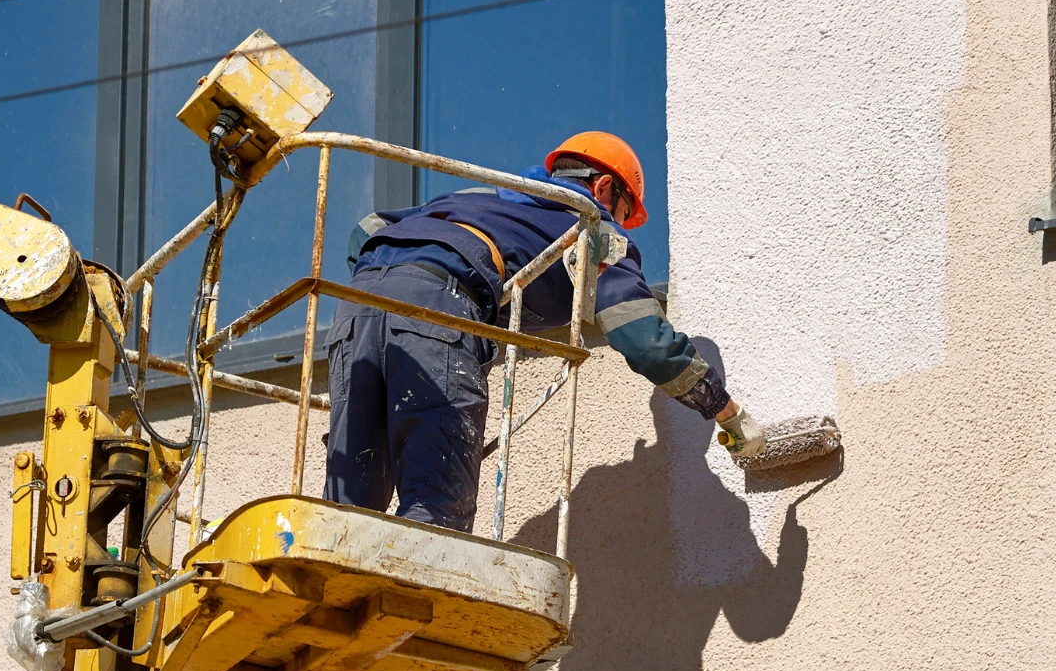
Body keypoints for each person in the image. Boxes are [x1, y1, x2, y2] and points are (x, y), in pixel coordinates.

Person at [323, 131, 766, 533]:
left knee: (347, 508)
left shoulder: (481, 195)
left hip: (355, 308)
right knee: (435, 510)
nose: (619, 221)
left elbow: (370, 228)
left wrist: (388, 296)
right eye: (623, 211)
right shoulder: (591, 226)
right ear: (604, 188)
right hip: (441, 307)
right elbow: (645, 340)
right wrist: (725, 411)